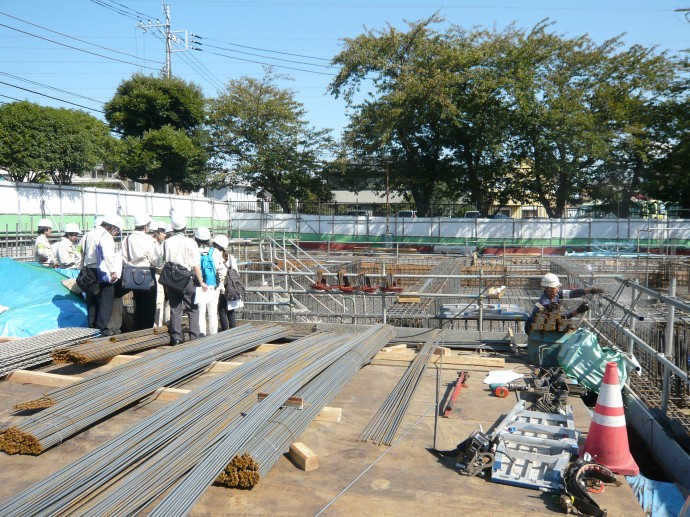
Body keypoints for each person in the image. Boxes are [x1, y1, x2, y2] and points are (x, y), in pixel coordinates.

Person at [163, 214, 208, 345]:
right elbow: (195, 265)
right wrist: (201, 282)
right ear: (185, 227)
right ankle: (194, 336)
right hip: (187, 278)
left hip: (171, 279)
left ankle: (176, 337)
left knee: (175, 308)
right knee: (193, 308)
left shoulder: (167, 242)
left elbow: (164, 259)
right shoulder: (191, 242)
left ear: (172, 227)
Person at [82, 214, 124, 336]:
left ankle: (91, 327)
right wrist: (113, 271)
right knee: (106, 299)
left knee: (92, 299)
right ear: (111, 227)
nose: (116, 233)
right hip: (103, 270)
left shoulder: (89, 233)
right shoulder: (106, 236)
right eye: (116, 230)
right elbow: (108, 255)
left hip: (89, 270)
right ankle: (103, 329)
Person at [122, 213, 162, 330]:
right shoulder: (148, 240)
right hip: (147, 275)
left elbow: (123, 257)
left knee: (137, 304)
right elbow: (155, 260)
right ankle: (146, 331)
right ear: (145, 226)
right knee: (149, 306)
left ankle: (137, 329)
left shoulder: (127, 239)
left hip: (131, 275)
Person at [525, 273, 604, 332]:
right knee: (564, 327)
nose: (558, 289)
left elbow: (572, 293)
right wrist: (578, 310)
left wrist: (590, 290)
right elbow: (562, 317)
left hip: (545, 325)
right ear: (548, 288)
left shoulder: (555, 294)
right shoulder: (544, 303)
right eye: (556, 287)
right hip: (534, 329)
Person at [195, 227, 226, 337]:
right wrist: (219, 282)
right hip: (213, 286)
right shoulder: (216, 252)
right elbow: (222, 270)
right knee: (212, 313)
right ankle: (214, 335)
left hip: (199, 285)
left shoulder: (195, 251)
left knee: (201, 312)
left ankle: (201, 334)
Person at [153, 221, 170, 327]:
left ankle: (164, 322)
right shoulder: (153, 244)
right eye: (163, 232)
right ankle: (157, 325)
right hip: (156, 273)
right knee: (158, 300)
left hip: (163, 274)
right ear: (157, 232)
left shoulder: (163, 244)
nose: (165, 235)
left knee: (165, 299)